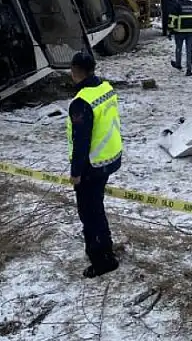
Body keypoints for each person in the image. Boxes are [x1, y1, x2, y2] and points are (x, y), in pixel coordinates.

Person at [67, 51, 122, 278]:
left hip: (92, 166)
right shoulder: (105, 88)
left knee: (89, 213)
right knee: (96, 208)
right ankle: (105, 246)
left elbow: (81, 141)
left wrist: (76, 173)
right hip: (109, 159)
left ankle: (101, 259)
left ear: (75, 71)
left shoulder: (81, 102)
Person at [169, 0, 192, 76]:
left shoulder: (177, 5)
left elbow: (172, 19)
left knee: (178, 48)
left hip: (179, 32)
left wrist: (170, 30)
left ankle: (178, 64)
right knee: (189, 50)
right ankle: (189, 69)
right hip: (190, 32)